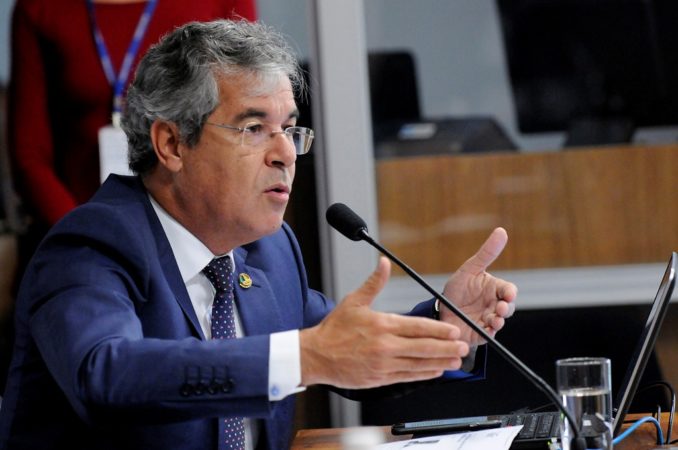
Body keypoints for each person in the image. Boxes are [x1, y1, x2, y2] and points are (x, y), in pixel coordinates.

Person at [0, 19, 518, 450]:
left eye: (289, 129)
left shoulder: (270, 251)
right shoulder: (91, 246)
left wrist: (445, 325)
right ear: (172, 145)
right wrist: (306, 357)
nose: (286, 153)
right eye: (254, 128)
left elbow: (348, 349)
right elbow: (107, 375)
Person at [2, 0, 257, 394]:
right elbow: (29, 155)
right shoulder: (41, 9)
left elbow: (250, 112)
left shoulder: (220, 2)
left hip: (194, 237)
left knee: (208, 385)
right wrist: (92, 240)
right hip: (79, 247)